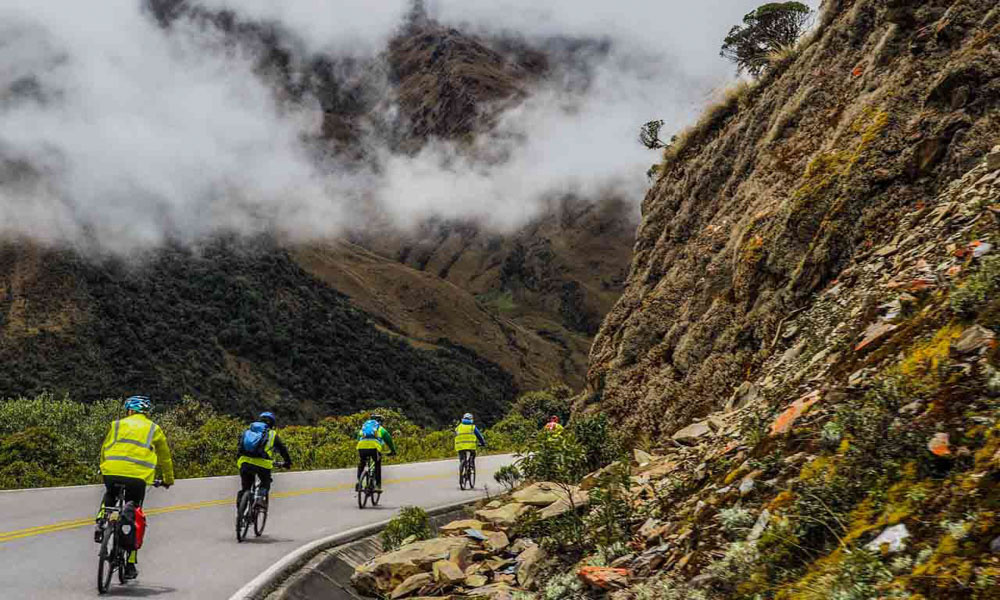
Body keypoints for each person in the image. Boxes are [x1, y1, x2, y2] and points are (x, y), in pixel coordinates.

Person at [95, 395, 174, 581]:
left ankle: (101, 520)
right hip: (138, 478)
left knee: (111, 494)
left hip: (111, 471)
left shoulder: (116, 425)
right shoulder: (154, 429)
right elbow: (165, 457)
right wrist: (168, 479)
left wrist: (104, 469)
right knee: (135, 514)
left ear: (129, 410)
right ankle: (130, 565)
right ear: (145, 412)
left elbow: (104, 449)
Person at [236, 411, 292, 510]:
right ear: (272, 423)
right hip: (263, 465)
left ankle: (240, 512)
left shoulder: (247, 431)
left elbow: (239, 447)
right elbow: (283, 450)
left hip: (244, 462)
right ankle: (260, 498)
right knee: (266, 482)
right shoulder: (272, 434)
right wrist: (287, 462)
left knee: (246, 488)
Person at [356, 413, 396, 493]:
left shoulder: (364, 428)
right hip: (374, 448)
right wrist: (393, 451)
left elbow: (358, 438)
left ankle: (359, 482)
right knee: (377, 464)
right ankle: (378, 485)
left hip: (361, 447)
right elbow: (389, 441)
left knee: (362, 463)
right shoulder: (380, 429)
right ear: (380, 422)